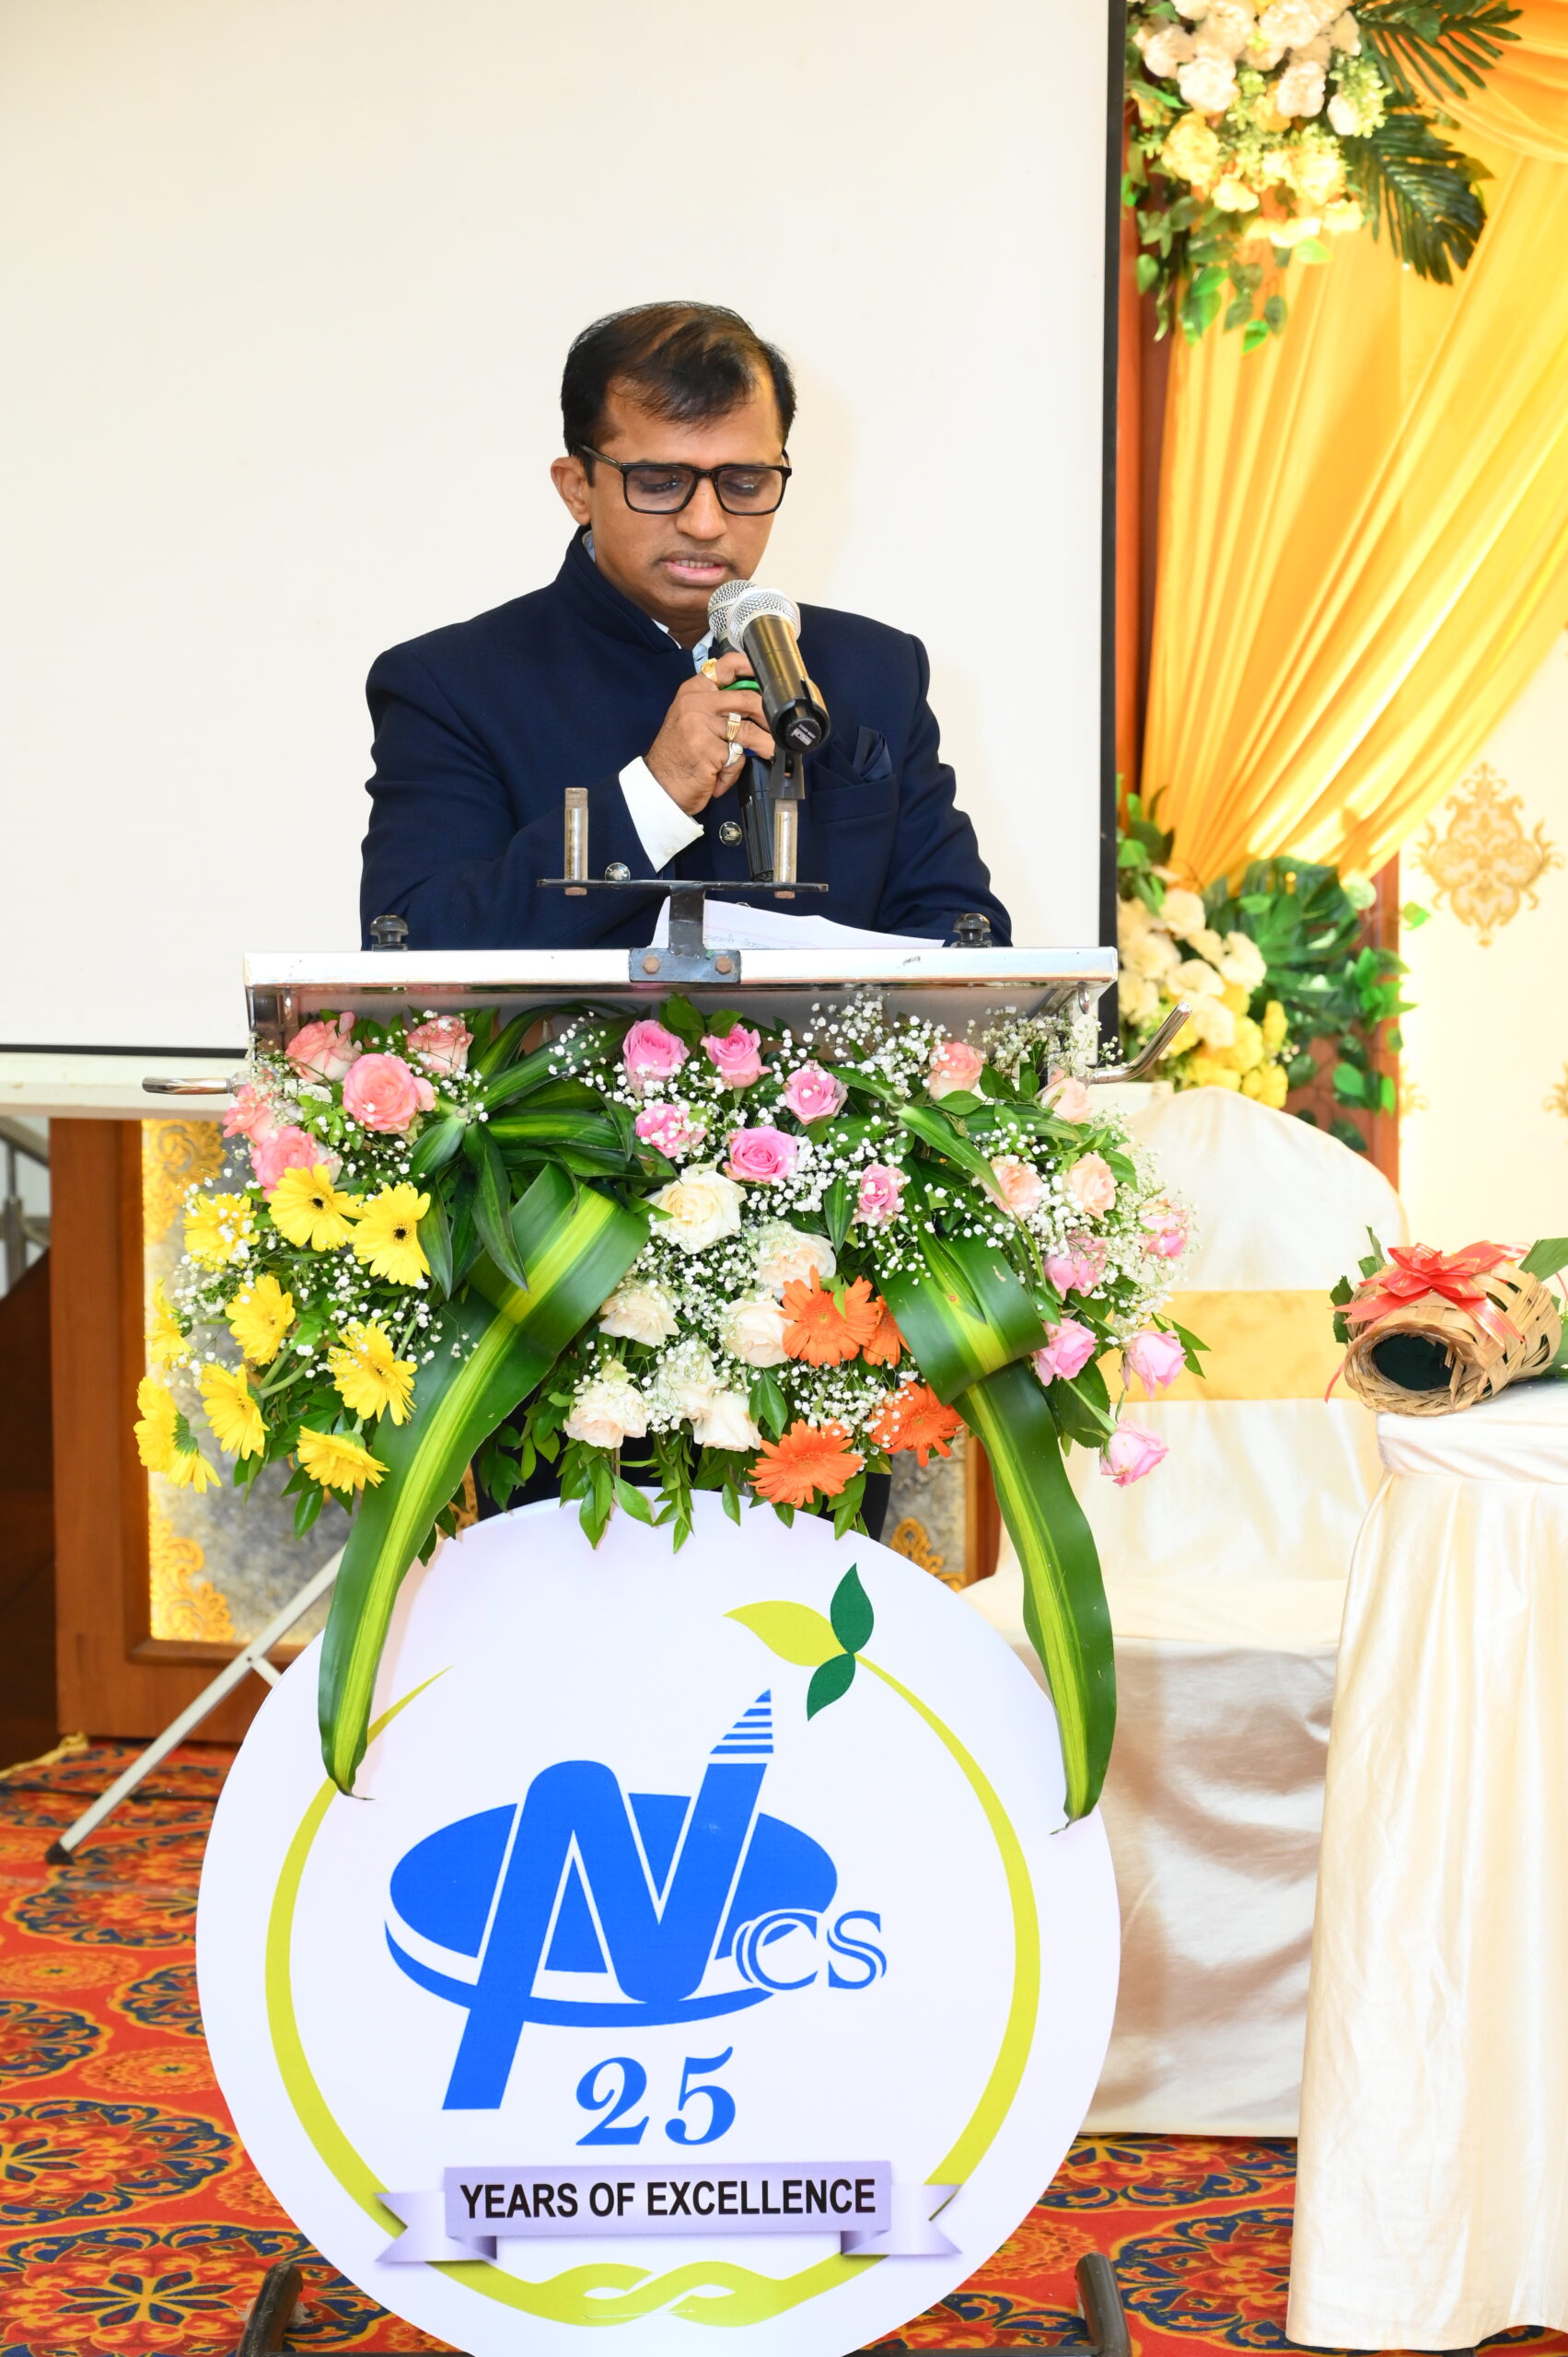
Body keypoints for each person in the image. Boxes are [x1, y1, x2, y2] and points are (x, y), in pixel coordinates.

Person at [358, 300, 1010, 948]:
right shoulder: (449, 684)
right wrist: (654, 793)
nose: (705, 522)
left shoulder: (878, 668)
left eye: (745, 482)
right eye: (660, 481)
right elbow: (411, 944)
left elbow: (966, 940)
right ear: (577, 487)